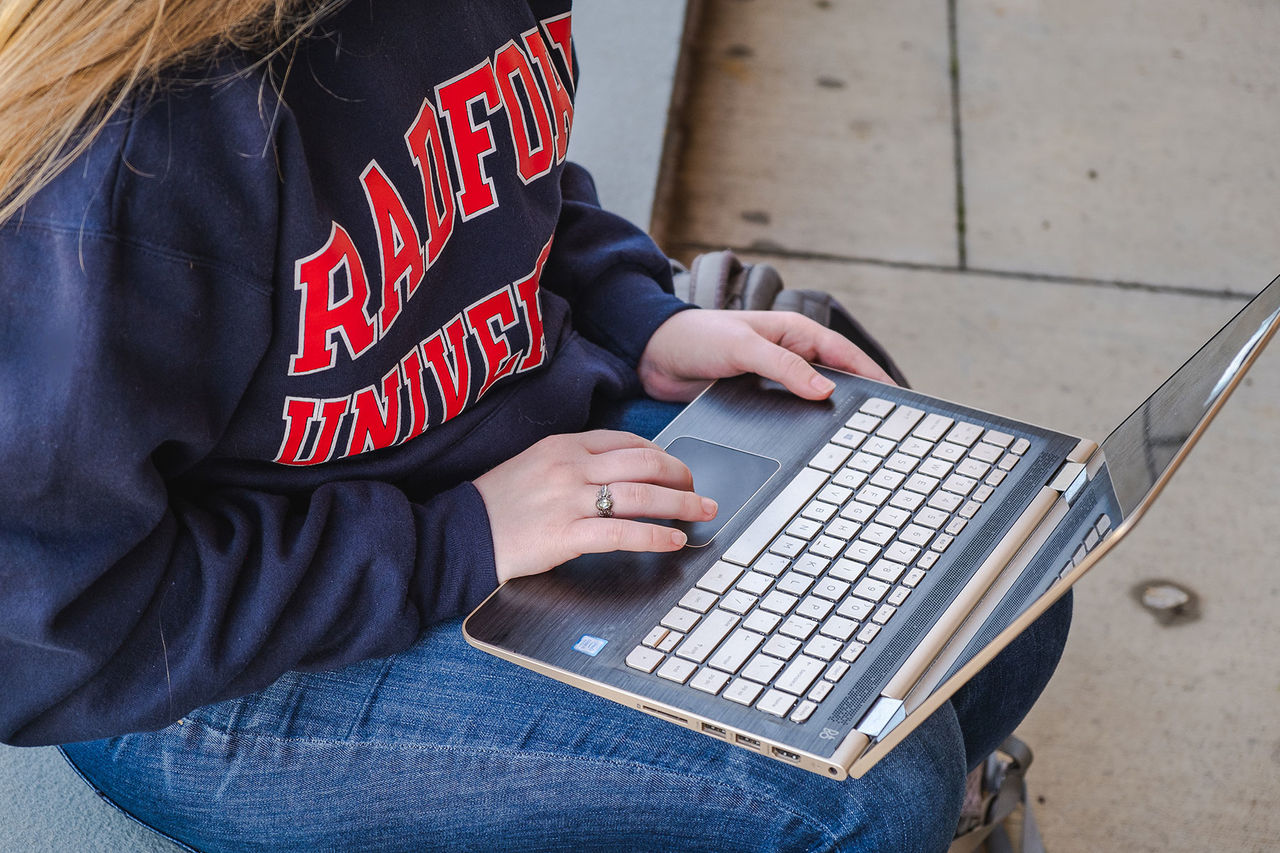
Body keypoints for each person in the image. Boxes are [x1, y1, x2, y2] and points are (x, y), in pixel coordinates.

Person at [0, 1, 1072, 850]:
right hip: (225, 664)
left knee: (1003, 562)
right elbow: (53, 628)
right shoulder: (120, 166)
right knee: (868, 799)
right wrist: (458, 538)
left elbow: (505, 177)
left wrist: (643, 313)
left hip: (512, 475)